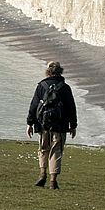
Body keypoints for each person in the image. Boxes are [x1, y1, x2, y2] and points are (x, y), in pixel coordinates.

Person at [26, 61, 77, 189]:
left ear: (48, 71)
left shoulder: (41, 86)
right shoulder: (65, 88)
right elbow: (71, 108)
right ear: (60, 72)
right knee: (56, 151)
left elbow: (34, 105)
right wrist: (73, 125)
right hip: (60, 126)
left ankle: (42, 174)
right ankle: (53, 181)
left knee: (43, 149)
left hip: (43, 125)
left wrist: (29, 123)